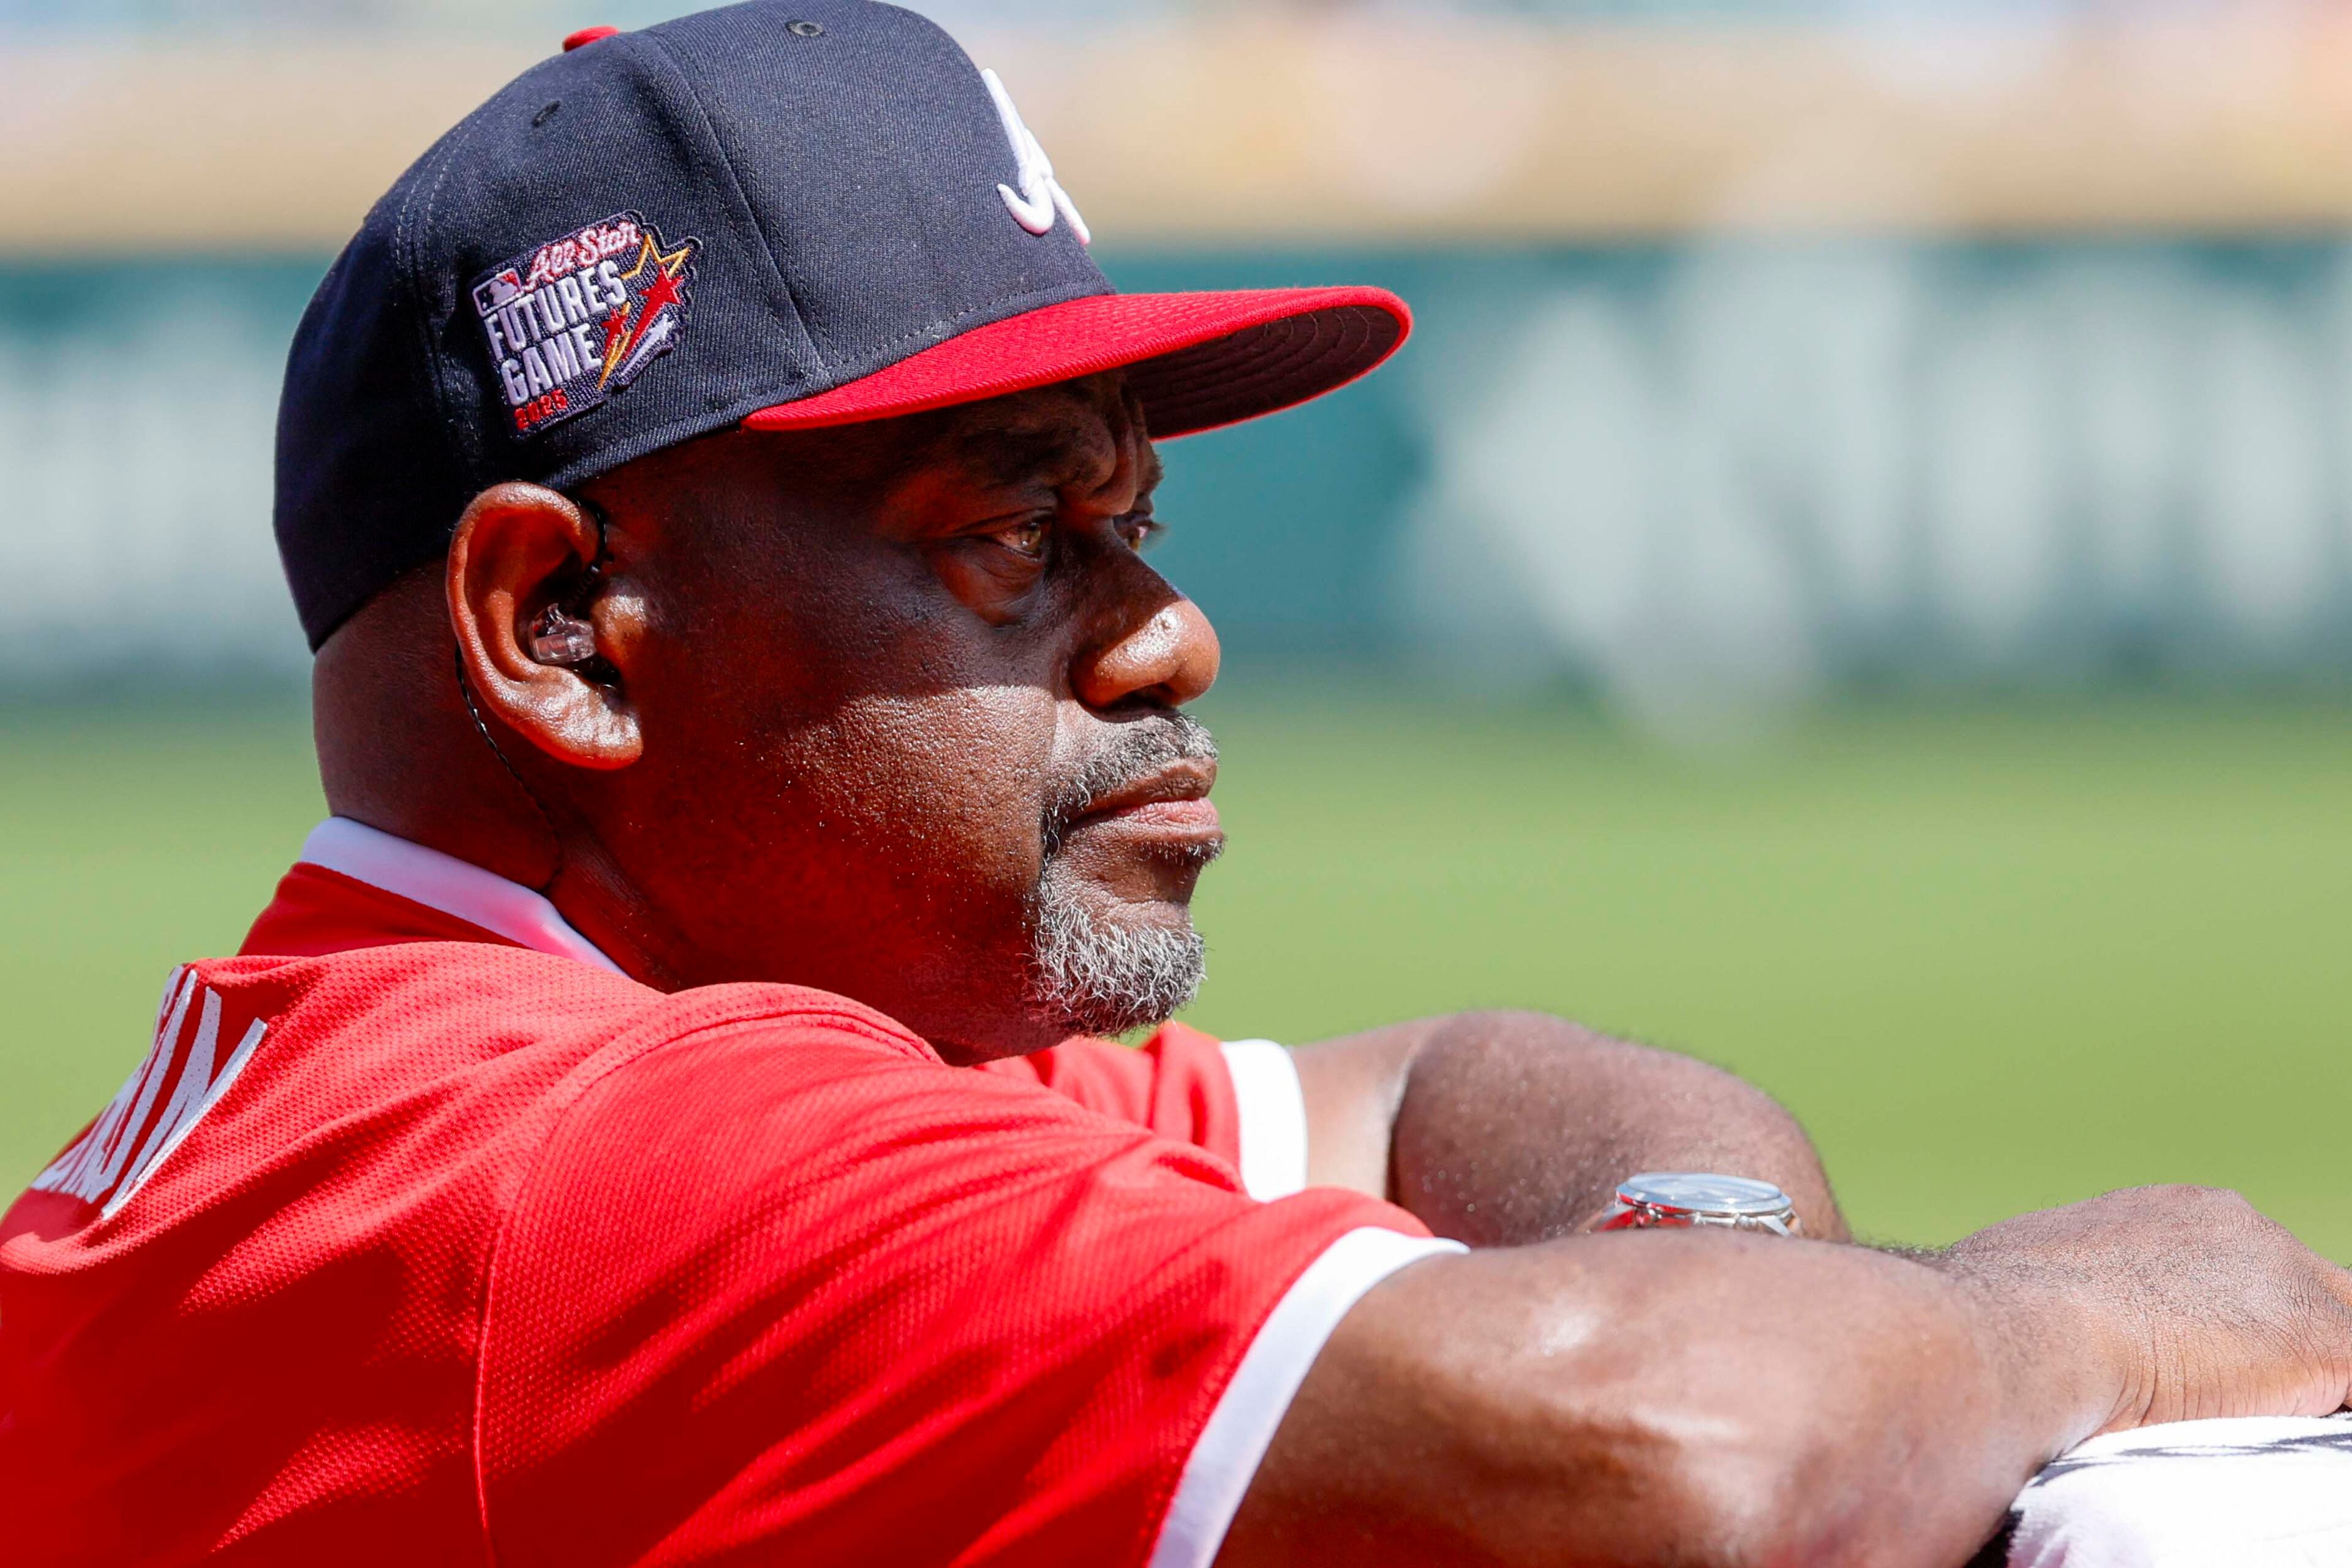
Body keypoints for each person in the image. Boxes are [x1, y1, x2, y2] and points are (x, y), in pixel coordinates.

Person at [5, 6, 2350, 1566]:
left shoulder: (558, 1049)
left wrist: (1712, 1277)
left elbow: (1461, 1083)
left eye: (1136, 514)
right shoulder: (597, 1169)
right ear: (560, 633)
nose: (1164, 627)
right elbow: (1690, 1460)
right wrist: (2108, 1311)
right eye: (1011, 529)